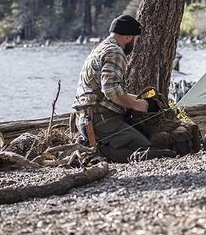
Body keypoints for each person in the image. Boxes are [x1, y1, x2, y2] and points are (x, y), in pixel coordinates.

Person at [72, 15, 176, 163]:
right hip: (101, 121)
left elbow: (107, 92)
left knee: (143, 142)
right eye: (135, 39)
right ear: (128, 37)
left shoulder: (100, 49)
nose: (135, 43)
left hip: (85, 120)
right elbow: (112, 92)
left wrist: (141, 99)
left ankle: (93, 145)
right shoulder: (115, 52)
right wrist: (143, 105)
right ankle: (97, 151)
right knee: (145, 147)